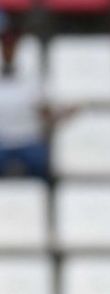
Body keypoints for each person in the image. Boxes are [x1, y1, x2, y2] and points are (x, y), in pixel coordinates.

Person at [0, 27, 52, 181]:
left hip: (28, 140)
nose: (8, 50)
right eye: (5, 46)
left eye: (11, 46)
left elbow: (44, 112)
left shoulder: (32, 78)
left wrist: (59, 116)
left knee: (40, 163)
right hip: (2, 140)